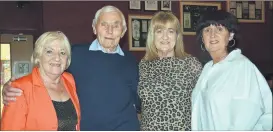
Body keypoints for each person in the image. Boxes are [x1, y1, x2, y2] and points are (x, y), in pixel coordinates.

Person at [1, 5, 140, 131]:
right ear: (94, 28)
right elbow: (45, 73)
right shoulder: (75, 54)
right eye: (104, 24)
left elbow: (138, 98)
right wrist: (12, 87)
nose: (110, 31)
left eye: (116, 26)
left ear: (123, 31)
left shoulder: (131, 61)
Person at [191, 10, 272, 130]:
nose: (212, 35)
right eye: (207, 30)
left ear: (230, 35)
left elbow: (247, 115)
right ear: (202, 38)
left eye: (219, 29)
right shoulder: (208, 68)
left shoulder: (241, 67)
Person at [1, 31, 80, 130]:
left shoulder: (69, 80)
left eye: (62, 53)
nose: (57, 58)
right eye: (49, 51)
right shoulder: (19, 89)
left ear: (67, 59)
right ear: (38, 56)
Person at [138, 11, 202, 131]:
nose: (165, 37)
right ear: (153, 35)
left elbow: (206, 101)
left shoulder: (191, 64)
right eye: (159, 31)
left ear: (177, 36)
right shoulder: (144, 65)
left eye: (170, 31)